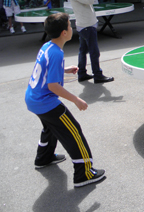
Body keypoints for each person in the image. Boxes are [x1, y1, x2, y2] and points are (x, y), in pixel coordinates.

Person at [25, 13, 105, 188]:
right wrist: (76, 99)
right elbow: (53, 85)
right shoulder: (56, 54)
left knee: (51, 127)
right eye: (70, 26)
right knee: (73, 131)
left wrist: (65, 69)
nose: (71, 28)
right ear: (63, 33)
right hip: (45, 102)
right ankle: (84, 173)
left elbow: (46, 73)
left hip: (33, 99)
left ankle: (43, 158)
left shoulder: (48, 46)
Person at [67, 0, 114, 84]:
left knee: (83, 50)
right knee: (94, 51)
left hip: (84, 24)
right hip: (87, 25)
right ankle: (98, 75)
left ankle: (82, 73)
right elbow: (89, 0)